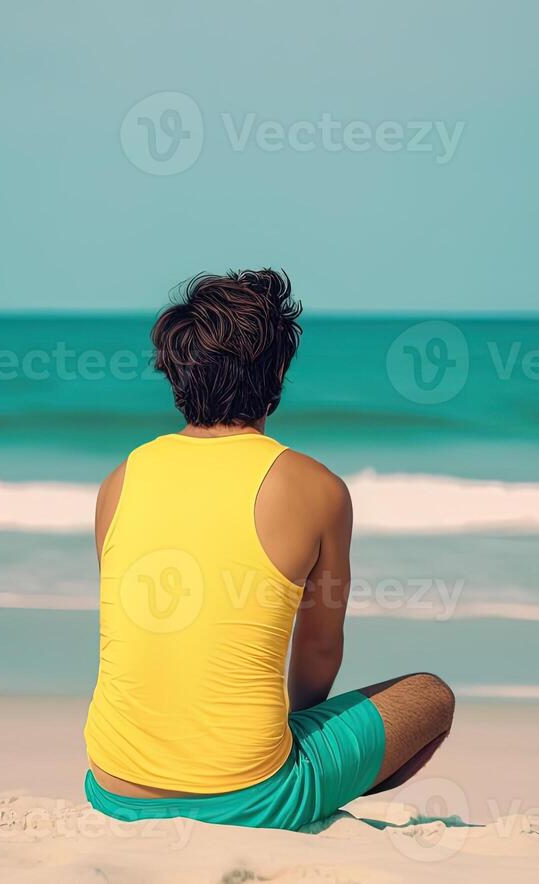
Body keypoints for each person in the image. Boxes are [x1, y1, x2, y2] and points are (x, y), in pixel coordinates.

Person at [83, 269, 454, 830]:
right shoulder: (314, 487)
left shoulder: (120, 479)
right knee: (431, 696)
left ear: (175, 370)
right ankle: (306, 799)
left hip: (112, 787)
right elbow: (320, 652)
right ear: (278, 370)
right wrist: (295, 737)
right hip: (251, 796)